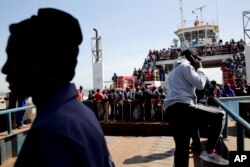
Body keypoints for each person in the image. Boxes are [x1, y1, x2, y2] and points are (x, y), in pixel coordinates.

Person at [2, 8, 114, 167]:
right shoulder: (82, 114)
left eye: (15, 57)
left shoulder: (52, 135)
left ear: (45, 61)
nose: (5, 69)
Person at [163, 49, 228, 166]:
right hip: (183, 107)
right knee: (220, 115)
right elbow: (201, 84)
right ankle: (209, 152)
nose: (197, 61)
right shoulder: (185, 66)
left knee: (182, 148)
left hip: (171, 110)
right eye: (196, 58)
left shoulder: (174, 71)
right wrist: (200, 68)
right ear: (190, 57)